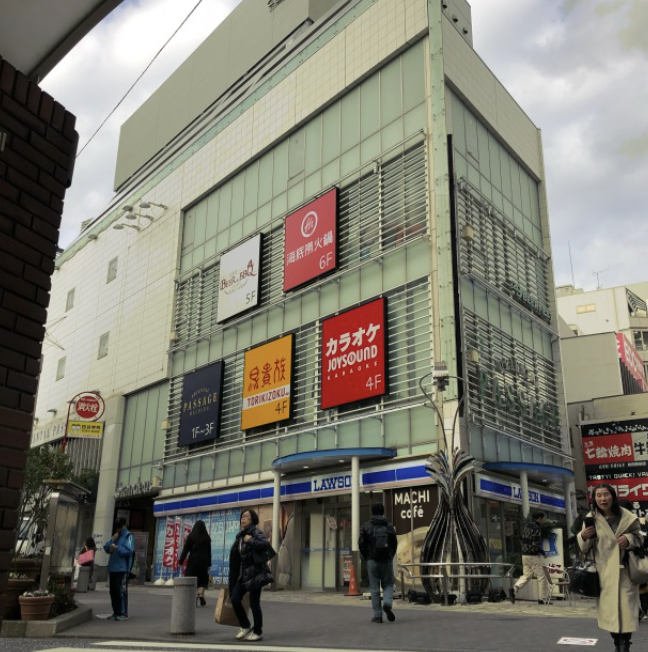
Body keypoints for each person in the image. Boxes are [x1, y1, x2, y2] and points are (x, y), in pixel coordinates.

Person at [579, 483, 642, 652]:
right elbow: (584, 548)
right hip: (604, 574)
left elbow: (639, 538)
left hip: (625, 572)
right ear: (595, 499)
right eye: (598, 495)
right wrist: (583, 536)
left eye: (605, 494)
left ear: (612, 496)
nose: (602, 498)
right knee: (612, 615)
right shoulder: (591, 518)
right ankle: (617, 643)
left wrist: (629, 539)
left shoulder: (627, 517)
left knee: (625, 612)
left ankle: (624, 645)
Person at [228, 509, 274, 642]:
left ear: (253, 519)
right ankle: (245, 625)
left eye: (246, 517)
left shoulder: (255, 532)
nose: (243, 519)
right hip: (244, 575)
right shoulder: (241, 536)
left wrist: (251, 540)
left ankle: (258, 631)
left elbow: (265, 544)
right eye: (242, 517)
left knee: (254, 604)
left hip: (255, 574)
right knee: (235, 598)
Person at [358, 502, 398, 623]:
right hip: (386, 559)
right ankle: (387, 602)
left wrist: (367, 557)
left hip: (372, 560)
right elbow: (394, 543)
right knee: (388, 584)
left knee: (374, 588)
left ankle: (377, 616)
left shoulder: (366, 526)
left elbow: (361, 543)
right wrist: (390, 555)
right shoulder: (389, 526)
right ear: (383, 512)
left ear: (372, 512)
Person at [511, 512, 551, 604]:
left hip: (524, 555)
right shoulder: (536, 529)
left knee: (527, 575)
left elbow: (521, 539)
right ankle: (542, 599)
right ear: (539, 519)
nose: (543, 521)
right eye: (542, 519)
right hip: (533, 556)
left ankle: (515, 587)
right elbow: (535, 545)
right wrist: (542, 552)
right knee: (541, 576)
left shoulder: (526, 527)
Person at [103, 517, 135, 621]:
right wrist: (111, 541)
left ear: (124, 525)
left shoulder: (128, 536)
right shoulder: (116, 536)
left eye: (119, 527)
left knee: (121, 590)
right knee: (113, 591)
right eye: (116, 527)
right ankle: (115, 612)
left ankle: (123, 612)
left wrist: (117, 548)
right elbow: (106, 548)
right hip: (113, 568)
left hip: (122, 568)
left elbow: (129, 550)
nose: (118, 529)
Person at [178, 519, 212, 606]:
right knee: (202, 580)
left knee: (191, 579)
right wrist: (209, 563)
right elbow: (209, 551)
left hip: (193, 561)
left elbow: (186, 549)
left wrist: (181, 560)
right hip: (203, 562)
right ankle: (200, 593)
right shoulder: (207, 538)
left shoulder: (191, 536)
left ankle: (192, 596)